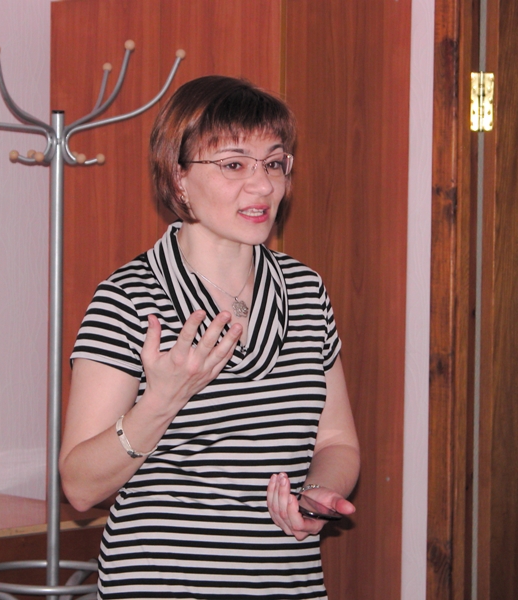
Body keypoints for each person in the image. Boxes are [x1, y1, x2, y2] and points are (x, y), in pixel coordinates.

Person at [59, 75, 360, 599]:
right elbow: (80, 486)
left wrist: (315, 495)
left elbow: (337, 441)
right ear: (179, 177)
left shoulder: (306, 290)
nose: (262, 186)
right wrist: (161, 401)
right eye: (234, 165)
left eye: (274, 163)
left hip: (288, 586)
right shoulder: (130, 299)